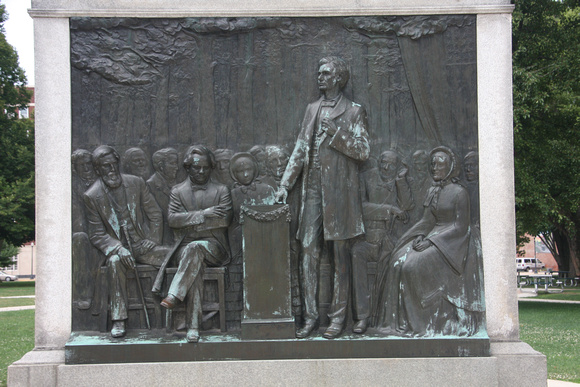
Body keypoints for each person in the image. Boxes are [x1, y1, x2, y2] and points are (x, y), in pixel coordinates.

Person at [275, 56, 370, 339]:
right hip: (313, 190)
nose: (320, 77)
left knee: (340, 255)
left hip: (340, 194)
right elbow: (301, 148)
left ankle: (337, 319)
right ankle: (310, 317)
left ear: (339, 78)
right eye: (319, 73)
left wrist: (337, 134)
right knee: (308, 251)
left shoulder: (354, 111)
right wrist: (285, 185)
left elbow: (364, 151)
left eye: (326, 73)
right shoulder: (312, 109)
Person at [372, 146, 484, 337]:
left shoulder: (459, 192)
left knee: (411, 266)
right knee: (397, 261)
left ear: (450, 167)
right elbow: (426, 220)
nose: (434, 168)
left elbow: (460, 227)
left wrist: (431, 241)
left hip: (453, 243)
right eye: (433, 164)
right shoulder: (433, 191)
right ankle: (398, 324)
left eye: (440, 164)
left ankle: (421, 325)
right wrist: (414, 236)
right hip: (433, 236)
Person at [83, 145, 168, 338]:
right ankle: (119, 319)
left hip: (143, 245)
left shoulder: (136, 183)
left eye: (114, 164)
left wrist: (152, 239)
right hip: (119, 251)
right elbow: (97, 234)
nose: (112, 170)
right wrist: (118, 248)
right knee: (114, 263)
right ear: (98, 170)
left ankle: (176, 316)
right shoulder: (92, 196)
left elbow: (155, 214)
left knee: (174, 257)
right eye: (106, 167)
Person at [161, 145, 232, 343]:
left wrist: (189, 224)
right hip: (184, 250)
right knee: (194, 259)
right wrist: (205, 215)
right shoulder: (178, 191)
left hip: (215, 247)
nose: (201, 172)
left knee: (196, 249)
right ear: (188, 168)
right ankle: (193, 327)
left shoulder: (221, 190)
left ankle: (175, 294)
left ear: (211, 168)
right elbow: (173, 220)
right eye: (196, 167)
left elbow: (224, 221)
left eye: (205, 168)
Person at [350, 150, 413, 334]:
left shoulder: (397, 181)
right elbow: (361, 207)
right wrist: (390, 209)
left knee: (397, 260)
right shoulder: (367, 178)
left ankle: (391, 317)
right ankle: (362, 317)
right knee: (356, 253)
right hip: (369, 240)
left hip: (391, 241)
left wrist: (401, 181)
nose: (386, 167)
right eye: (383, 163)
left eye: (391, 165)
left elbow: (408, 207)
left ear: (396, 167)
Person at [147, 147, 179, 245]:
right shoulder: (150, 185)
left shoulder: (177, 184)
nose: (177, 167)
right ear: (161, 166)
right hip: (162, 239)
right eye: (172, 163)